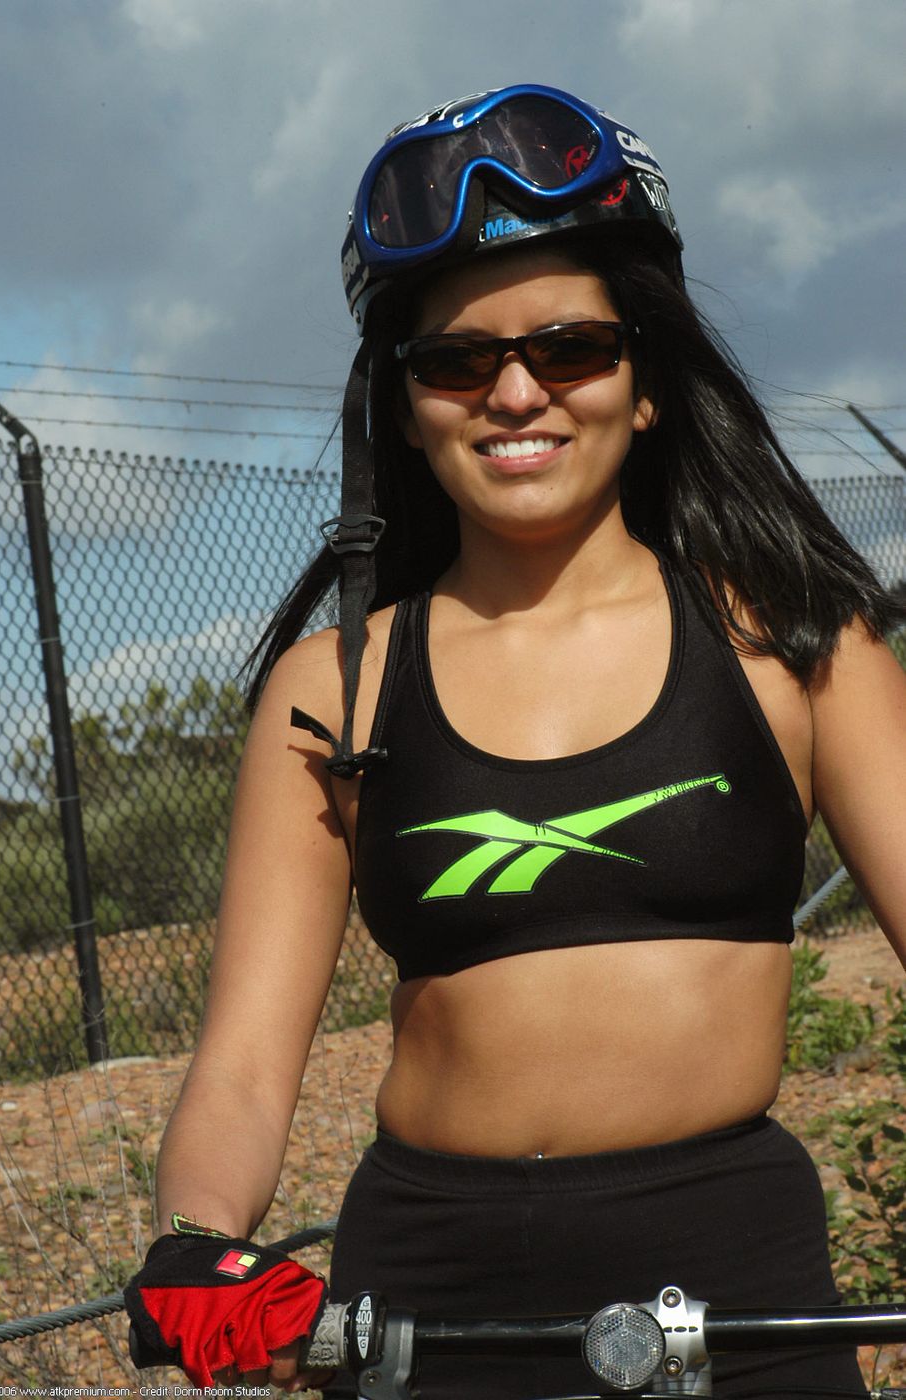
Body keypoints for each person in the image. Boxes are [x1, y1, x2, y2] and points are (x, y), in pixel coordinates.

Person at [126, 85, 906, 1397]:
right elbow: (246, 1068)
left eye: (572, 348)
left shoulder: (800, 648)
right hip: (425, 1311)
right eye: (455, 362)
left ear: (646, 384)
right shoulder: (335, 691)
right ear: (404, 405)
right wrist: (197, 1250)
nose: (515, 392)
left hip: (739, 1293)